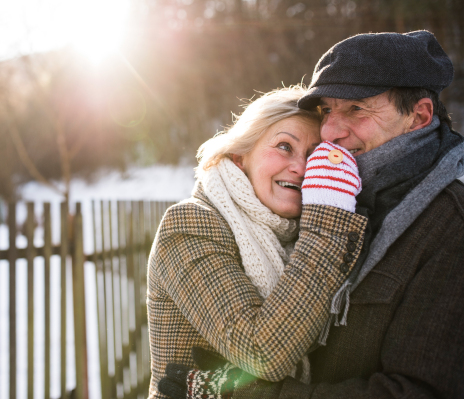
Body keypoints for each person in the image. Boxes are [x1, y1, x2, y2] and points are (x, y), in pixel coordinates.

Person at [158, 31, 464, 399]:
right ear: (240, 155)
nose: (331, 134)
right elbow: (263, 350)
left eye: (356, 108)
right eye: (327, 111)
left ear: (419, 116)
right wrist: (328, 219)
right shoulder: (197, 222)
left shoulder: (445, 220)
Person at [147, 85, 368, 399]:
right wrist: (328, 229)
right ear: (240, 156)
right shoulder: (189, 224)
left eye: (313, 154)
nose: (302, 168)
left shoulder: (295, 237)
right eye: (284, 146)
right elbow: (261, 354)